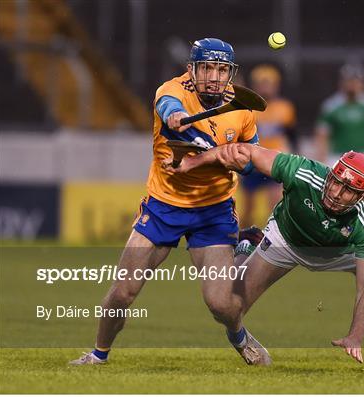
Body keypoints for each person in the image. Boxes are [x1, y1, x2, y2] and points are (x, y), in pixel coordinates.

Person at [175, 143, 364, 365]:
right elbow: (249, 152)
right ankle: (249, 245)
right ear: (331, 172)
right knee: (229, 306)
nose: (337, 193)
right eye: (337, 181)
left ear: (363, 197)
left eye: (350, 190)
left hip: (341, 251)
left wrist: (355, 336)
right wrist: (197, 161)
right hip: (285, 240)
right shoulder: (302, 172)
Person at [70, 38, 260, 365]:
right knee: (123, 292)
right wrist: (175, 116)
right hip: (163, 207)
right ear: (192, 69)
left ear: (230, 73)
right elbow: (168, 106)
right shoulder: (170, 91)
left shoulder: (240, 108)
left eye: (221, 69)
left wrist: (238, 160)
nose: (214, 76)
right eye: (207, 68)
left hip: (213, 212)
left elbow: (252, 156)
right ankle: (98, 356)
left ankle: (239, 334)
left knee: (220, 304)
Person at [240, 64, 297, 227]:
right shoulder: (247, 109)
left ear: (276, 85)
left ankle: (269, 244)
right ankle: (241, 241)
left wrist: (294, 156)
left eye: (269, 83)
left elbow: (292, 135)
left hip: (274, 161)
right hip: (252, 162)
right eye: (261, 84)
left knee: (275, 205)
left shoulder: (285, 108)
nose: (265, 88)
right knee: (248, 209)